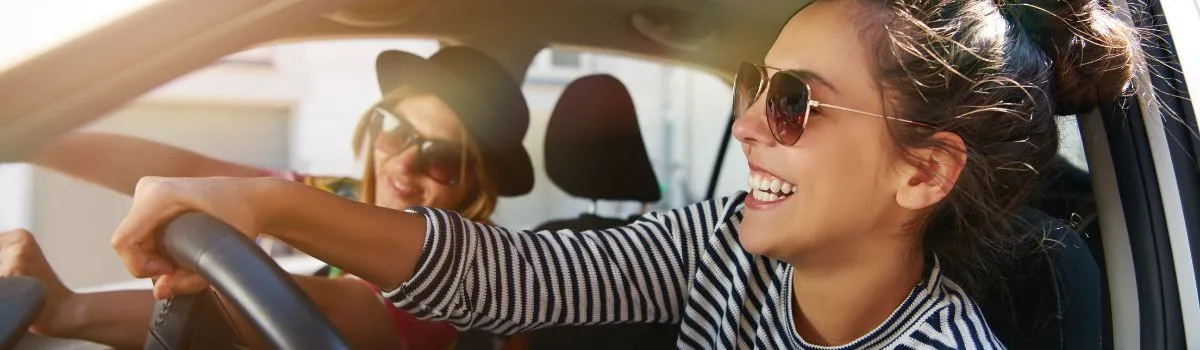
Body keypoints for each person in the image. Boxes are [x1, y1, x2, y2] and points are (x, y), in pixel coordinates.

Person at [109, 0, 1141, 348]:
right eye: (753, 84)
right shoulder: (720, 245)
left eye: (794, 101)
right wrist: (251, 199)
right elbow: (507, 276)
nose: (746, 125)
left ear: (921, 170)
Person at [3, 47, 535, 349]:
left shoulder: (471, 268)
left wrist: (72, 309)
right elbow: (191, 174)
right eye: (394, 130)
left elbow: (352, 309)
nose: (402, 165)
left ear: (473, 186)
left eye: (440, 156)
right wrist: (38, 136)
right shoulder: (338, 196)